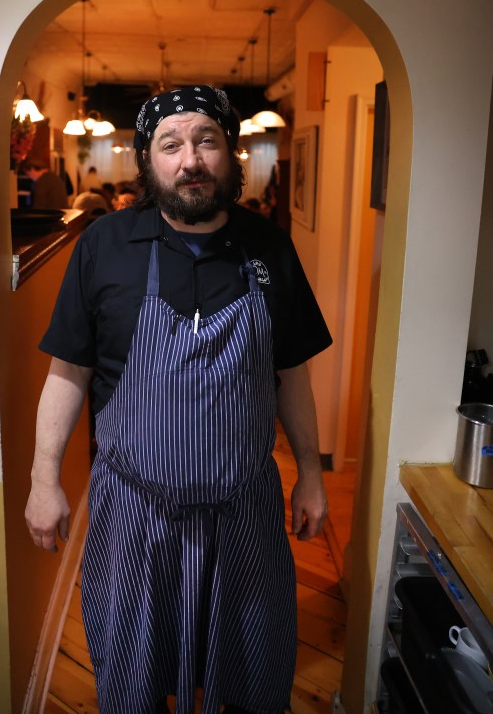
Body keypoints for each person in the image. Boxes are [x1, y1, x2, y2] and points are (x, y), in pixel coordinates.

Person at [25, 85, 332, 714]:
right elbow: (68, 372)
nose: (189, 159)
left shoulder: (269, 247)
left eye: (206, 140)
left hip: (244, 513)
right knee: (135, 682)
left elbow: (291, 370)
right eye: (171, 144)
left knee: (249, 672)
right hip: (135, 514)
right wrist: (43, 479)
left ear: (229, 153)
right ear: (148, 160)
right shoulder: (103, 246)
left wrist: (310, 475)